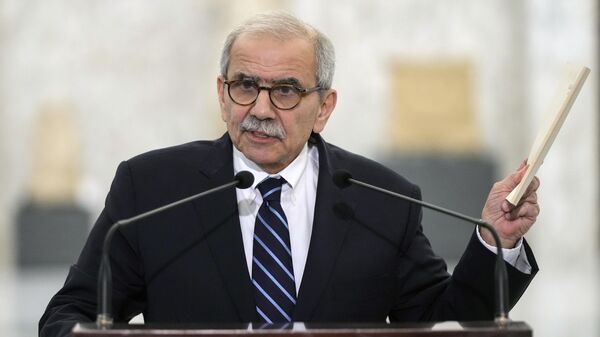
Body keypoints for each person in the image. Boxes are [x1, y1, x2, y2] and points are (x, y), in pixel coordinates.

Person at [39, 12, 540, 337]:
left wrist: (498, 241)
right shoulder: (151, 187)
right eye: (244, 85)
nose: (259, 108)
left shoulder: (382, 199)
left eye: (284, 91)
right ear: (221, 93)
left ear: (324, 107)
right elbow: (69, 317)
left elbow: (440, 321)